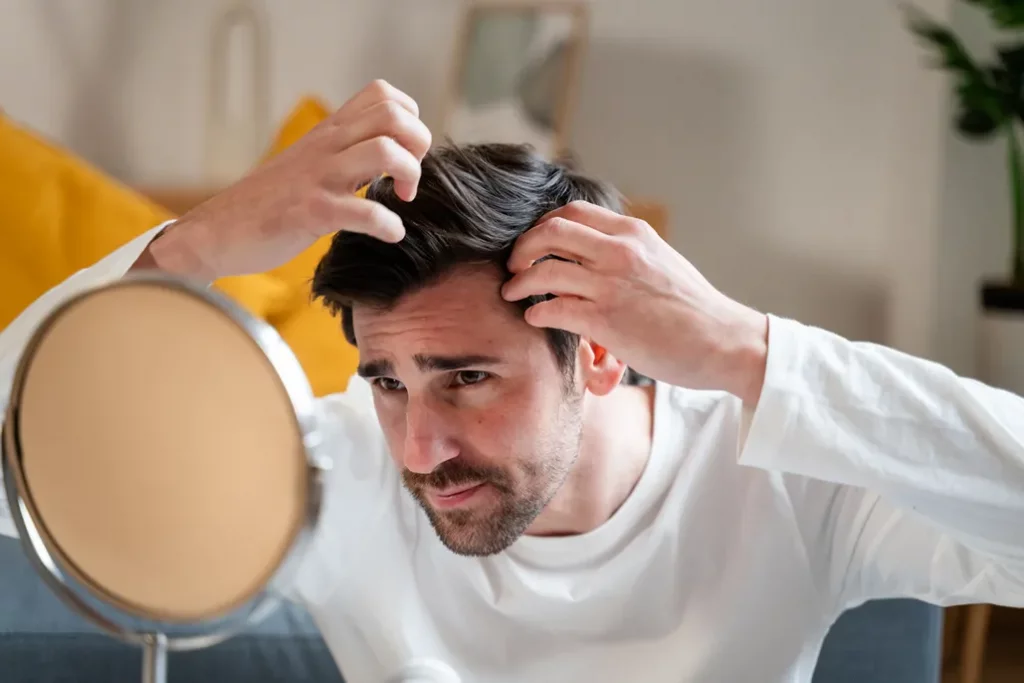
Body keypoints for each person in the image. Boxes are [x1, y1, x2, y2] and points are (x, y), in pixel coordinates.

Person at [2, 79, 1024, 682]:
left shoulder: (789, 476)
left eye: (467, 377)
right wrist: (194, 247)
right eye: (388, 379)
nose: (417, 447)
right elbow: (26, 471)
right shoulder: (333, 467)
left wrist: (747, 349)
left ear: (600, 349)